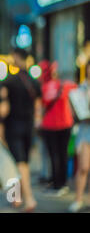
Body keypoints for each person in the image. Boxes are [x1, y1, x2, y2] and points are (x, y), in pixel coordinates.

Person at [2, 48, 42, 212]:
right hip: (29, 126)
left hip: (13, 126)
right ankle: (15, 198)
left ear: (17, 58)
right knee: (21, 161)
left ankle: (28, 198)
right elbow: (38, 104)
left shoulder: (9, 81)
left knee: (18, 163)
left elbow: (3, 107)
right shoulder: (34, 81)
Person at [39, 60, 77, 197]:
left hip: (50, 126)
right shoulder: (65, 85)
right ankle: (62, 184)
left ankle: (57, 185)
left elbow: (42, 105)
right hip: (66, 125)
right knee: (63, 155)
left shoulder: (44, 87)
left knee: (54, 155)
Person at [69, 60, 90, 212]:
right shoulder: (81, 88)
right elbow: (75, 112)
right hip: (85, 130)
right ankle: (78, 199)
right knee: (83, 166)